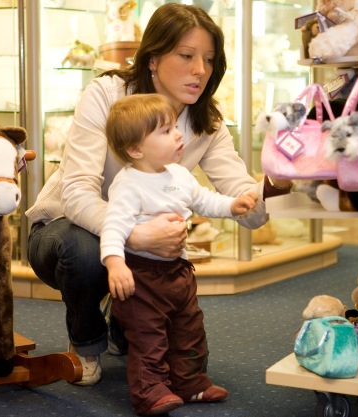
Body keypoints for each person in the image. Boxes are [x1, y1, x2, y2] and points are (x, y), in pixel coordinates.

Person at [25, 2, 292, 388]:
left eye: (209, 59)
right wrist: (133, 234)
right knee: (84, 252)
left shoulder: (207, 122)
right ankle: (85, 341)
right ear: (153, 58)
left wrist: (278, 182)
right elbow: (78, 193)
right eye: (186, 56)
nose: (200, 70)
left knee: (178, 354)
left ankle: (126, 322)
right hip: (62, 232)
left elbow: (247, 209)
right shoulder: (107, 93)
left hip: (145, 253)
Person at [102, 93, 257, 415]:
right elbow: (113, 227)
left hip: (178, 272)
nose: (177, 135)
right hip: (140, 277)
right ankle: (150, 392)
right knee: (149, 337)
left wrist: (231, 205)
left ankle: (190, 383)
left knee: (188, 330)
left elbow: (202, 200)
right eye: (165, 131)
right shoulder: (128, 184)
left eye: (175, 127)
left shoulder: (179, 174)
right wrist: (115, 263)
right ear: (135, 149)